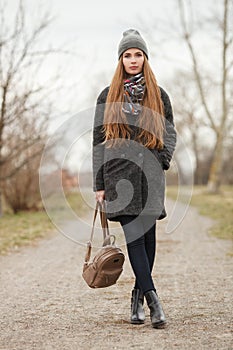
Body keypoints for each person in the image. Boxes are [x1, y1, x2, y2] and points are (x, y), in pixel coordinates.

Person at [92, 29, 176, 329]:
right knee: (136, 241)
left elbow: (169, 131)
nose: (132, 59)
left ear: (145, 58)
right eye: (127, 55)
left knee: (149, 241)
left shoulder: (159, 94)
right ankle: (154, 302)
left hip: (151, 179)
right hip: (119, 180)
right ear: (120, 59)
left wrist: (163, 160)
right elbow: (98, 142)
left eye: (137, 54)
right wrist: (99, 184)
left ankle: (136, 298)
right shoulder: (107, 95)